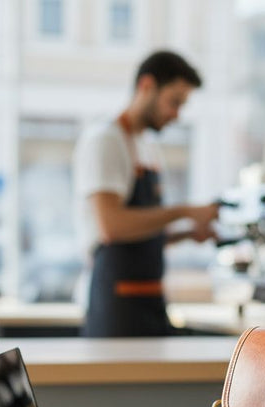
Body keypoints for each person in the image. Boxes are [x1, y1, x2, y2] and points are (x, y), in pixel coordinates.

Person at [73, 50, 219, 337]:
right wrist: (185, 211)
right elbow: (111, 226)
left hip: (149, 300)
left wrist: (188, 234)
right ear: (147, 86)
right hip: (116, 306)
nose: (177, 114)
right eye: (174, 102)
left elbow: (142, 234)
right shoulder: (106, 139)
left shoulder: (146, 147)